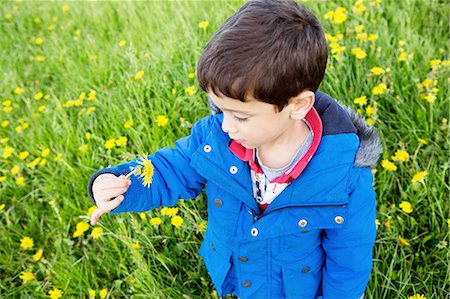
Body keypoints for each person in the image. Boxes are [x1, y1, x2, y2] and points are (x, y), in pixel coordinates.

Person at [87, 0, 383, 298]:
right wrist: (121, 184)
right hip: (239, 274)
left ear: (297, 106)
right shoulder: (216, 138)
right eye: (222, 110)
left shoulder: (344, 176)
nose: (226, 125)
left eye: (240, 116)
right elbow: (169, 169)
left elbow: (349, 257)